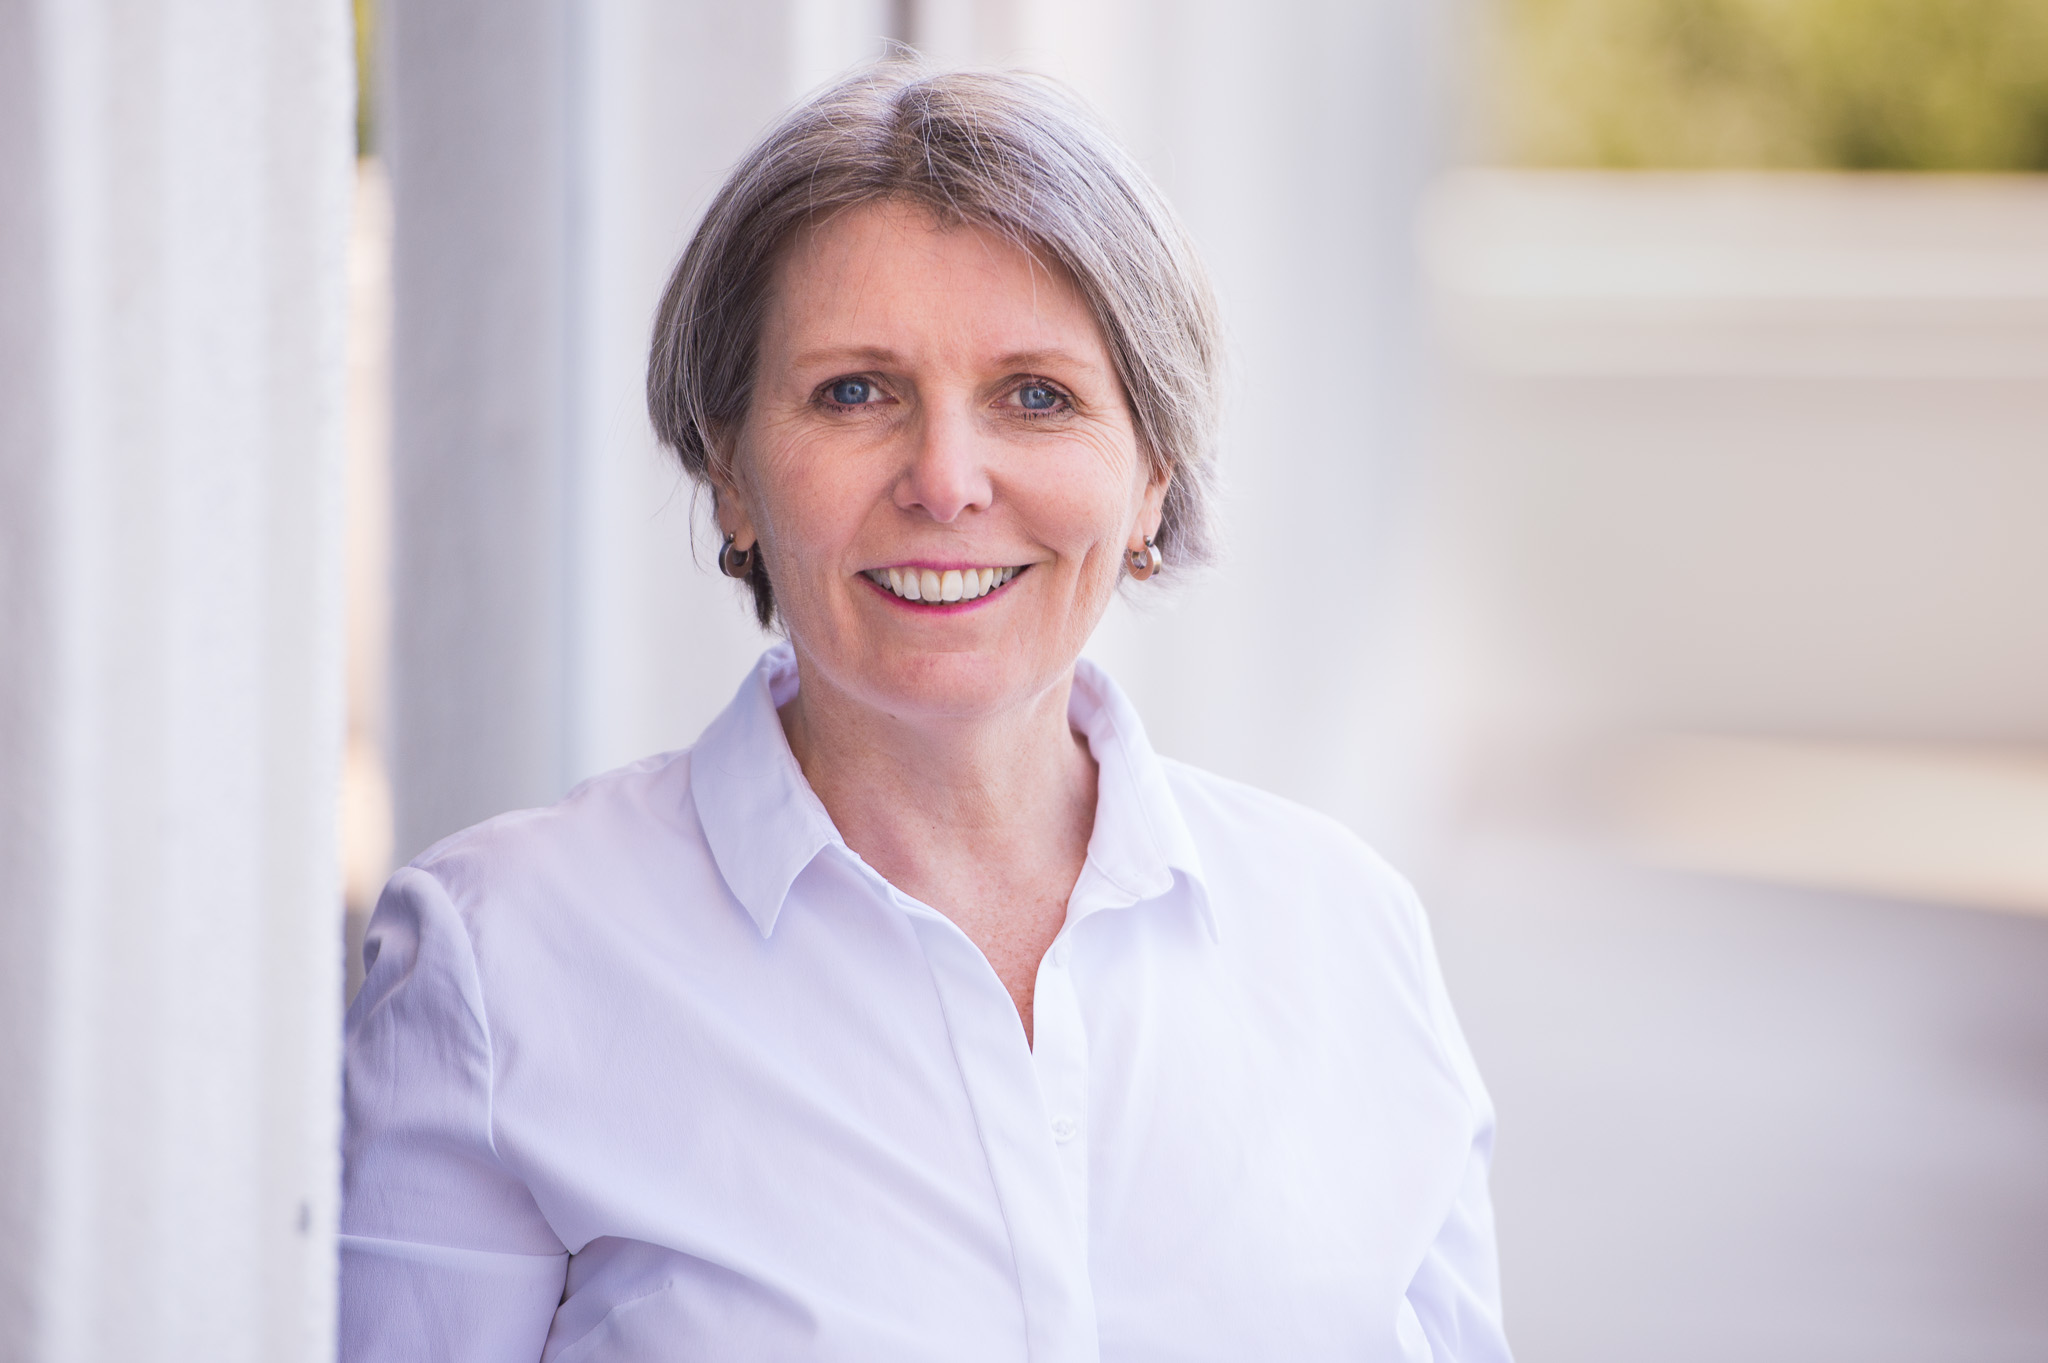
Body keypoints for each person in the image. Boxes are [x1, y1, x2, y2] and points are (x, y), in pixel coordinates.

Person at [340, 62, 1511, 1362]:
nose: (947, 482)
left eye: (1037, 395)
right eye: (855, 391)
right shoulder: (503, 964)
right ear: (731, 474)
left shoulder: (1345, 935)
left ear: (1150, 478)